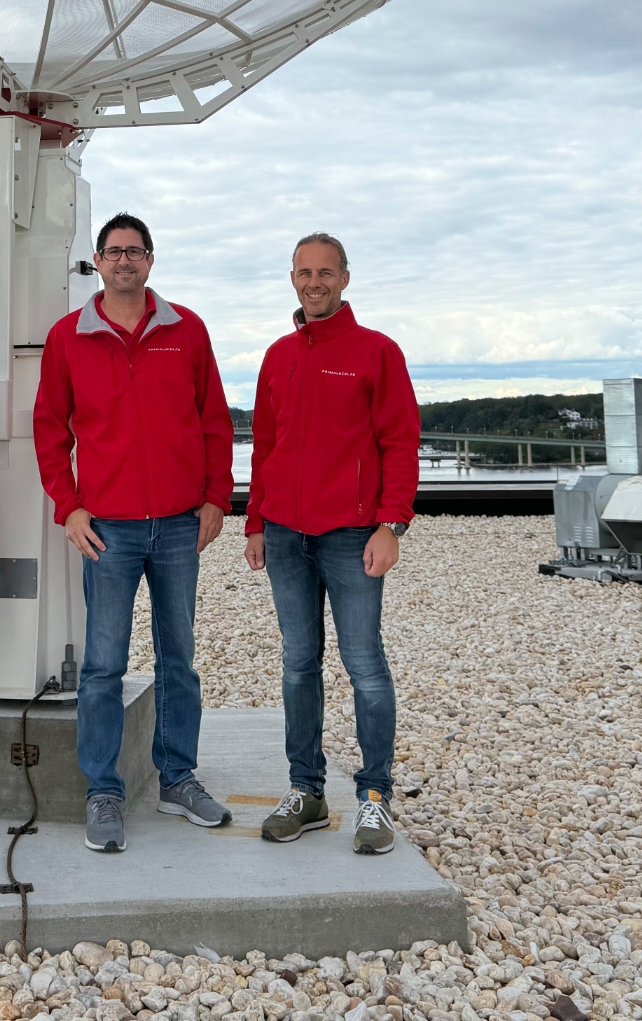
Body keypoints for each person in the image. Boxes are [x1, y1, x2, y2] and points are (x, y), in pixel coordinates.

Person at [35, 211, 235, 855]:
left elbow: (213, 421)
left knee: (179, 659)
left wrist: (214, 497)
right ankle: (103, 789)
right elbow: (49, 428)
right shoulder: (70, 336)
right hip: (109, 530)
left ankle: (178, 778)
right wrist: (68, 507)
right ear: (98, 261)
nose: (125, 261)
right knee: (102, 667)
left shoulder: (186, 329)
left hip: (179, 523)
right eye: (114, 252)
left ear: (151, 260)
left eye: (135, 251)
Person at [244, 232, 420, 855]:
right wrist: (256, 521)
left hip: (352, 535)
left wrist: (391, 524)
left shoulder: (376, 352)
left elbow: (400, 441)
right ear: (291, 278)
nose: (313, 282)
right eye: (303, 272)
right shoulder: (278, 355)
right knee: (298, 665)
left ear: (345, 277)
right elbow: (266, 445)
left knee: (365, 667)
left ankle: (374, 799)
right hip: (286, 535)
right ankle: (307, 792)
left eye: (325, 272)